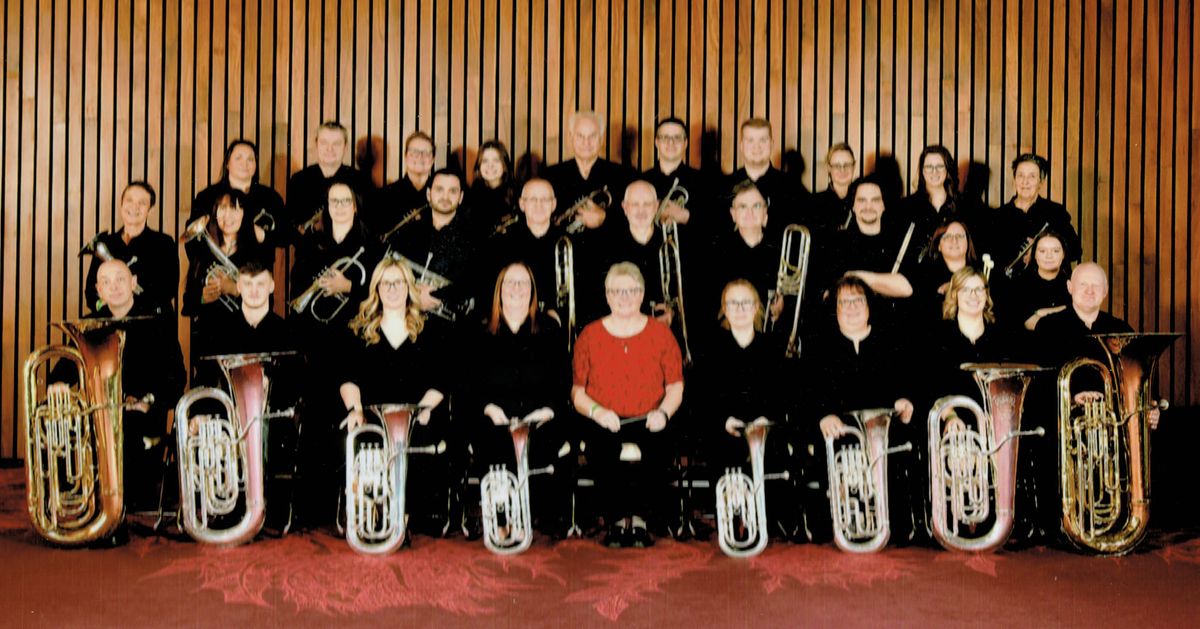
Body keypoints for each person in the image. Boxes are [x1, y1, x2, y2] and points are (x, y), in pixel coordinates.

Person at [48, 259, 185, 513]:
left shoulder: (158, 324)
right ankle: (71, 499)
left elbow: (176, 378)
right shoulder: (88, 326)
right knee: (54, 417)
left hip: (140, 417)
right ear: (99, 290)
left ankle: (118, 500)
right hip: (98, 414)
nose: (114, 287)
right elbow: (63, 370)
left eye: (120, 280)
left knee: (129, 433)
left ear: (133, 283)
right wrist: (58, 384)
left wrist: (149, 401)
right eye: (106, 282)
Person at [571, 263, 684, 547]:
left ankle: (643, 520)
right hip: (605, 418)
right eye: (617, 291)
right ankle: (616, 520)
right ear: (607, 296)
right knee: (601, 449)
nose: (624, 297)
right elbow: (577, 392)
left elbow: (675, 387)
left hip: (650, 417)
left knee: (659, 446)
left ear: (642, 294)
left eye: (632, 291)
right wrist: (597, 412)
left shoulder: (661, 334)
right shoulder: (590, 335)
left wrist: (664, 413)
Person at [338, 256, 451, 535]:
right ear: (376, 289)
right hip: (374, 417)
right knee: (356, 435)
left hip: (416, 418)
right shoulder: (359, 330)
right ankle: (372, 508)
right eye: (386, 284)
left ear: (408, 287)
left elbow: (440, 379)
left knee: (423, 438)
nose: (392, 289)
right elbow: (348, 378)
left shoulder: (428, 331)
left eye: (398, 283)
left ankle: (404, 512)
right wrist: (355, 409)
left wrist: (424, 409)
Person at [804, 276, 918, 544]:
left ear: (868, 307)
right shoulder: (819, 348)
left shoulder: (890, 342)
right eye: (845, 302)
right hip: (841, 433)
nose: (852, 307)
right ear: (836, 309)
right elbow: (807, 393)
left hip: (884, 433)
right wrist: (823, 416)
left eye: (858, 300)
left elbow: (907, 382)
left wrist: (904, 399)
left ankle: (892, 519)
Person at [467, 262, 571, 535]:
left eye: (523, 283)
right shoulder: (479, 333)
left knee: (547, 442)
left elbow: (563, 382)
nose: (516, 288)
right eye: (510, 283)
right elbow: (469, 385)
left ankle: (536, 514)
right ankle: (502, 520)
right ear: (499, 290)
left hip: (539, 419)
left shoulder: (549, 330)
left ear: (532, 291)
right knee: (492, 442)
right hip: (495, 418)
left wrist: (547, 411)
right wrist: (488, 408)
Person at [695, 280, 793, 540]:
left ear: (756, 308)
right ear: (724, 310)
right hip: (727, 428)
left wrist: (766, 418)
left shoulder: (772, 347)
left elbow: (782, 392)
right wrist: (724, 420)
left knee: (774, 448)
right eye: (733, 304)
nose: (740, 309)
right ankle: (730, 520)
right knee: (719, 447)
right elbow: (704, 395)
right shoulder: (710, 349)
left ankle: (764, 518)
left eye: (746, 303)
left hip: (764, 428)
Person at [181, 188, 271, 374]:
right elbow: (188, 302)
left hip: (246, 339)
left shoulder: (257, 251)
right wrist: (203, 297)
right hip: (209, 341)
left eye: (234, 209)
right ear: (215, 213)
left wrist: (235, 288)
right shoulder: (203, 251)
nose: (228, 215)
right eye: (222, 209)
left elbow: (266, 296)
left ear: (245, 213)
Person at [384, 168, 479, 324]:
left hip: (448, 330)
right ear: (429, 194)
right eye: (439, 189)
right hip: (403, 320)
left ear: (461, 197)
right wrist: (414, 295)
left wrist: (436, 295)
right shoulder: (407, 231)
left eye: (453, 191)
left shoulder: (473, 238)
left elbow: (476, 284)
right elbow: (387, 273)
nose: (445, 196)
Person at [83, 181, 179, 313]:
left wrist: (125, 306)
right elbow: (91, 292)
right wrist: (111, 309)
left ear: (149, 209)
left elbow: (168, 289)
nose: (135, 207)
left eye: (142, 203)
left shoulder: (163, 243)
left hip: (153, 324)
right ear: (121, 204)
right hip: (113, 323)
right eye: (129, 200)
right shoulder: (105, 244)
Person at [545, 111, 633, 233]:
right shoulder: (550, 175)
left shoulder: (623, 175)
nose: (586, 142)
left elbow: (636, 219)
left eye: (592, 136)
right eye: (580, 136)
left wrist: (605, 218)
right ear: (571, 138)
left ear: (601, 139)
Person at [190, 140, 286, 246]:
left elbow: (286, 235)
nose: (244, 164)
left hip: (258, 262)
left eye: (250, 159)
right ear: (227, 163)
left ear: (256, 164)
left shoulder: (270, 197)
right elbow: (191, 238)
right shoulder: (207, 196)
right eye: (238, 158)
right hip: (215, 262)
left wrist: (262, 235)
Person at [286, 121, 373, 238]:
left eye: (336, 144)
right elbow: (290, 227)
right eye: (324, 143)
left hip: (349, 254)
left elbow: (368, 225)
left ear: (345, 147)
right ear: (316, 145)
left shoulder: (360, 181)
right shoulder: (299, 180)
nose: (330, 149)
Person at [994, 153, 1082, 270]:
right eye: (1020, 176)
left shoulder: (1056, 212)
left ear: (1041, 181)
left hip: (1049, 285)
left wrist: (1041, 249)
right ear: (1014, 180)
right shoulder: (998, 216)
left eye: (1032, 176)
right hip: (1011, 286)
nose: (1025, 182)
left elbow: (1075, 251)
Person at [725, 118, 806, 242]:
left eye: (763, 140)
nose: (756, 147)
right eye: (750, 140)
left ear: (772, 144)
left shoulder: (792, 187)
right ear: (741, 145)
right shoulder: (724, 186)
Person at [641, 117, 711, 238]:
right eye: (665, 137)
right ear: (656, 142)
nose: (671, 142)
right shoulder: (641, 181)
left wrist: (685, 216)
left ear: (685, 143)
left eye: (677, 138)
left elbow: (715, 225)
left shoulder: (703, 181)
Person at [910, 221, 979, 324]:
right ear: (939, 246)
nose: (954, 240)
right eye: (947, 236)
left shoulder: (982, 273)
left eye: (960, 236)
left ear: (968, 243)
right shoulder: (925, 277)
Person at [1003, 230, 1071, 331]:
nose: (1049, 256)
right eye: (1042, 251)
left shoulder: (1073, 284)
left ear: (1063, 254)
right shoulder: (1019, 284)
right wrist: (1064, 309)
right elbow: (1030, 323)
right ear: (1034, 255)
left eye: (1056, 251)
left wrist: (1040, 312)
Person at [374, 131, 437, 235]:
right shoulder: (385, 195)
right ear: (406, 156)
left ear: (433, 159)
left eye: (426, 153)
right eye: (414, 152)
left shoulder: (441, 195)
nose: (420, 157)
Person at [469, 140, 519, 237]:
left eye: (496, 160)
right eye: (485, 160)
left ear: (504, 165)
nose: (490, 166)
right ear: (479, 167)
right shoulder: (471, 197)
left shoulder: (517, 194)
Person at [808, 143, 857, 234]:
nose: (842, 170)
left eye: (847, 165)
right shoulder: (814, 203)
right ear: (829, 168)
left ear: (854, 166)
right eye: (837, 166)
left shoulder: (863, 201)